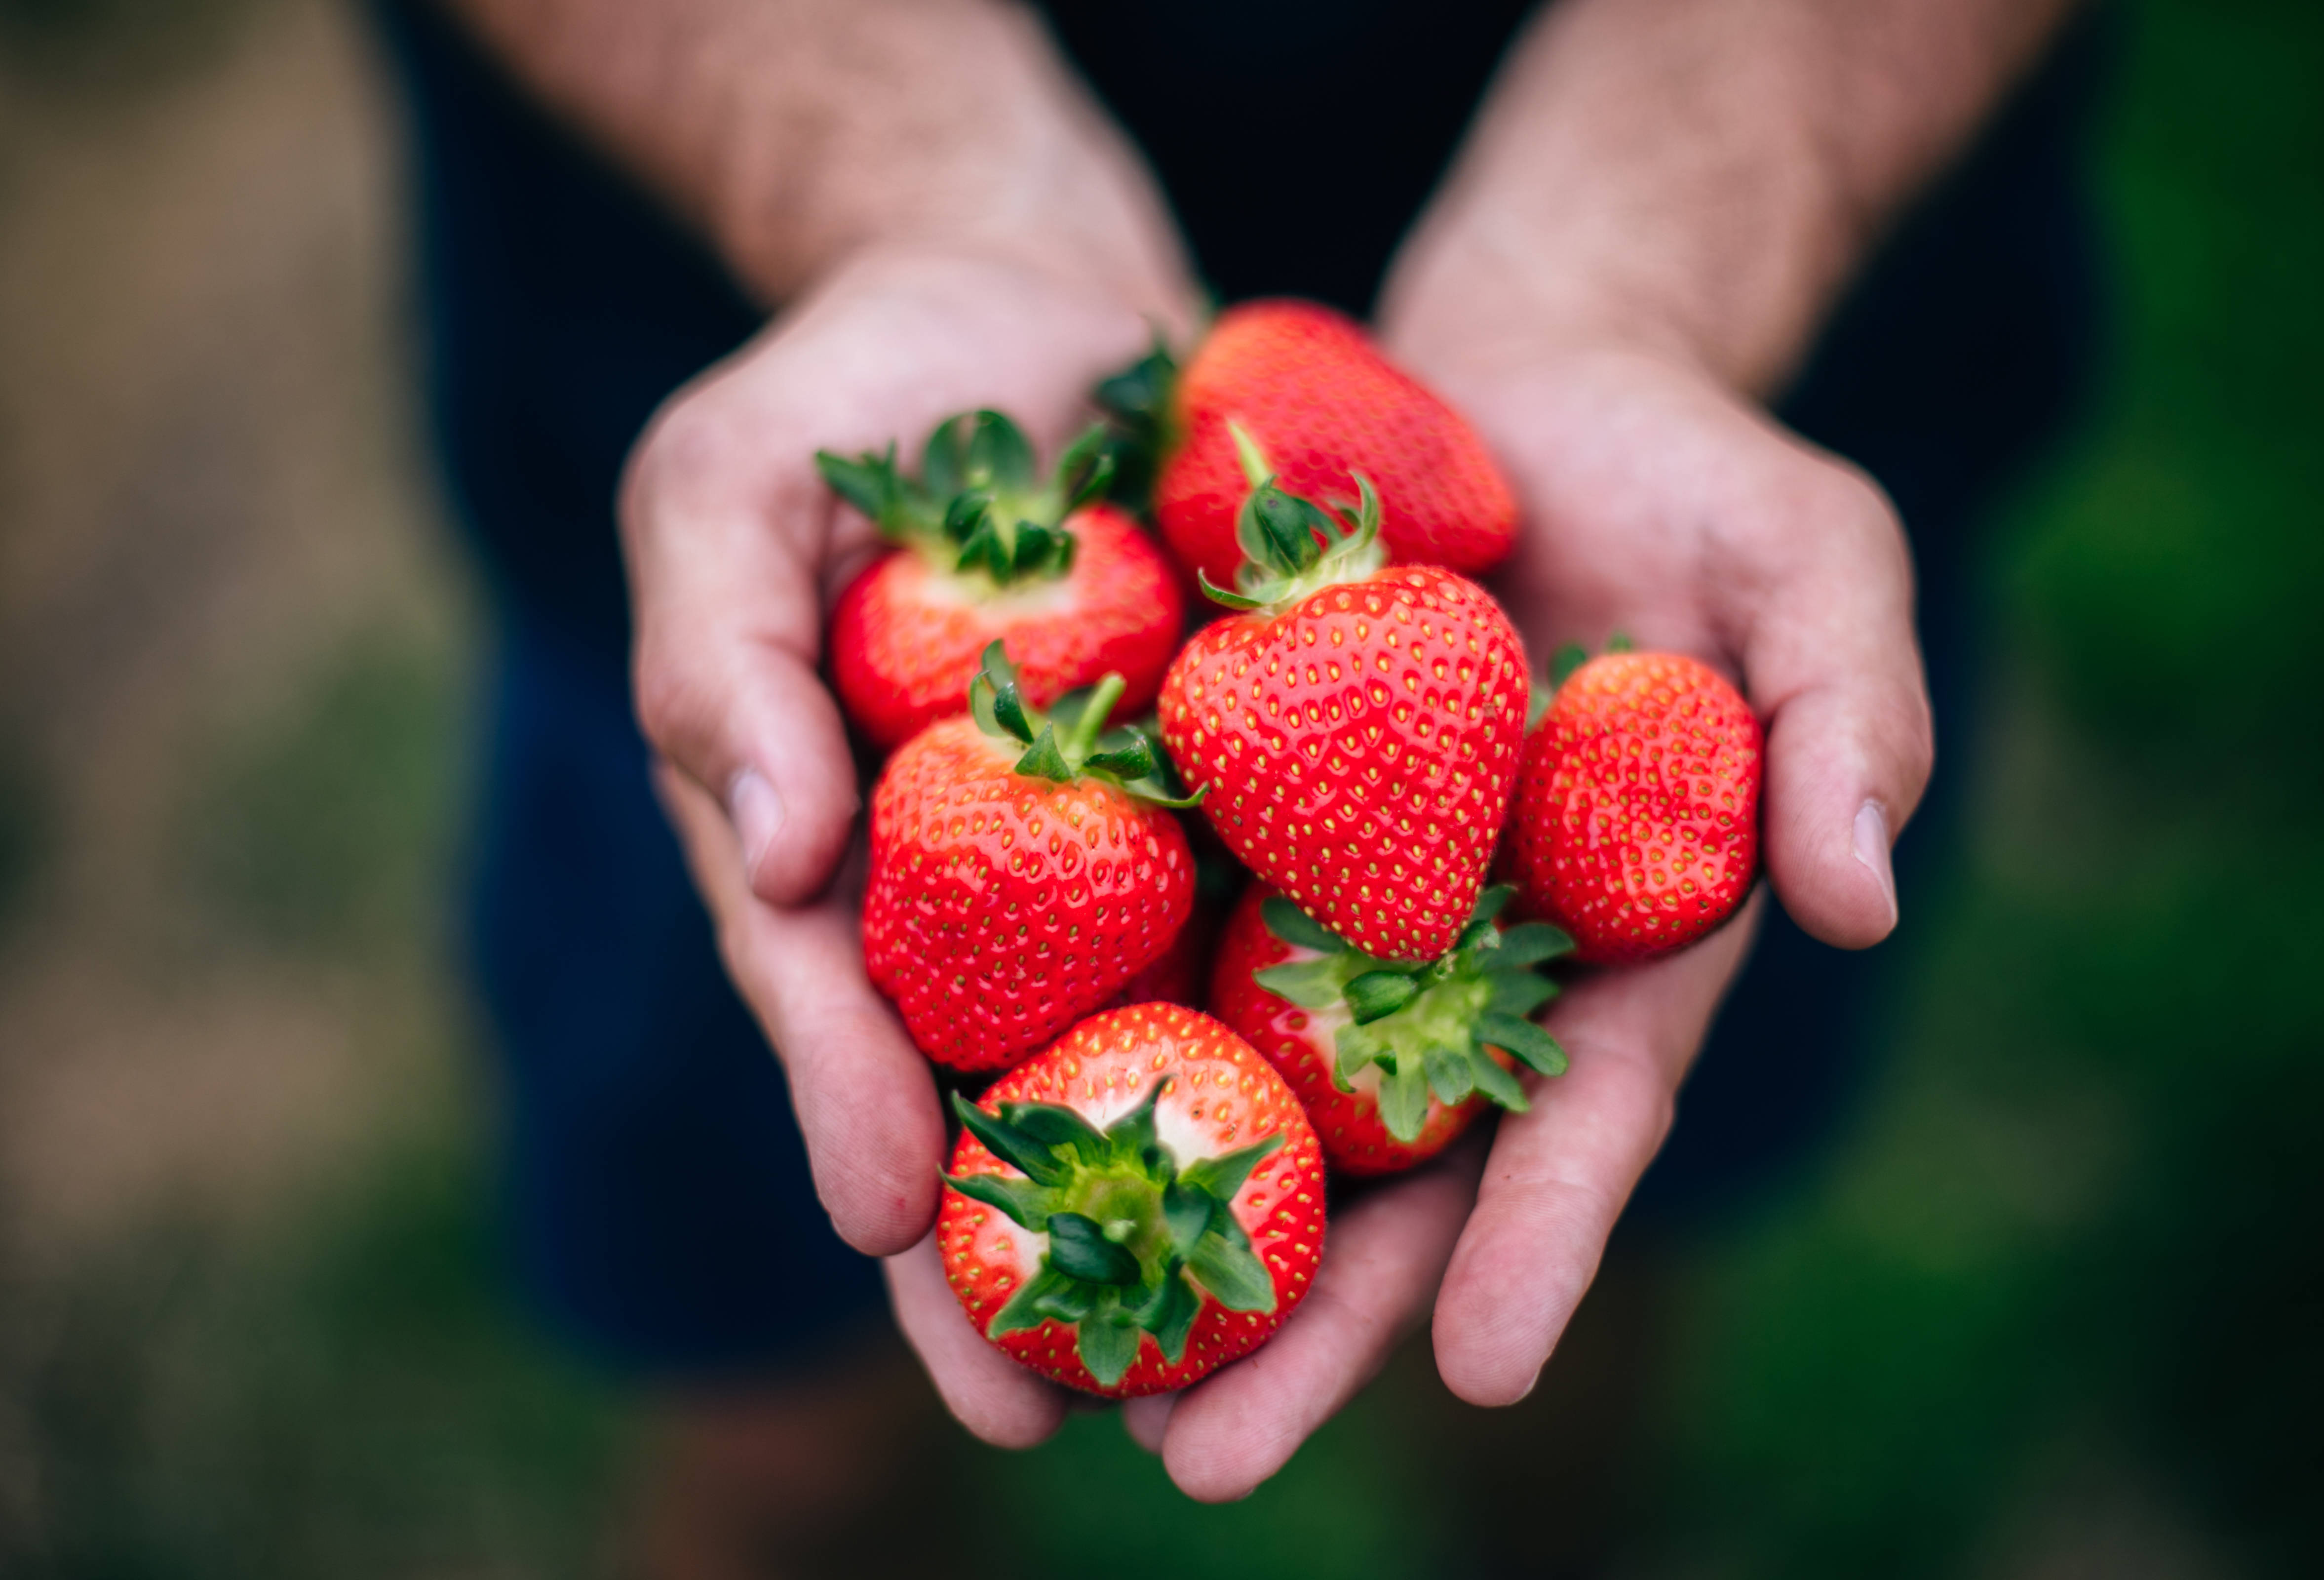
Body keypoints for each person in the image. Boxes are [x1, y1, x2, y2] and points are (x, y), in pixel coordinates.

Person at [372, 0, 2102, 1557]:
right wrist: (920, 196)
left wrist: (1637, 277)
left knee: (1592, 1276)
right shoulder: (1091, 678)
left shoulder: (1472, 713)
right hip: (752, 338)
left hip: (1737, 335)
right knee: (781, 1426)